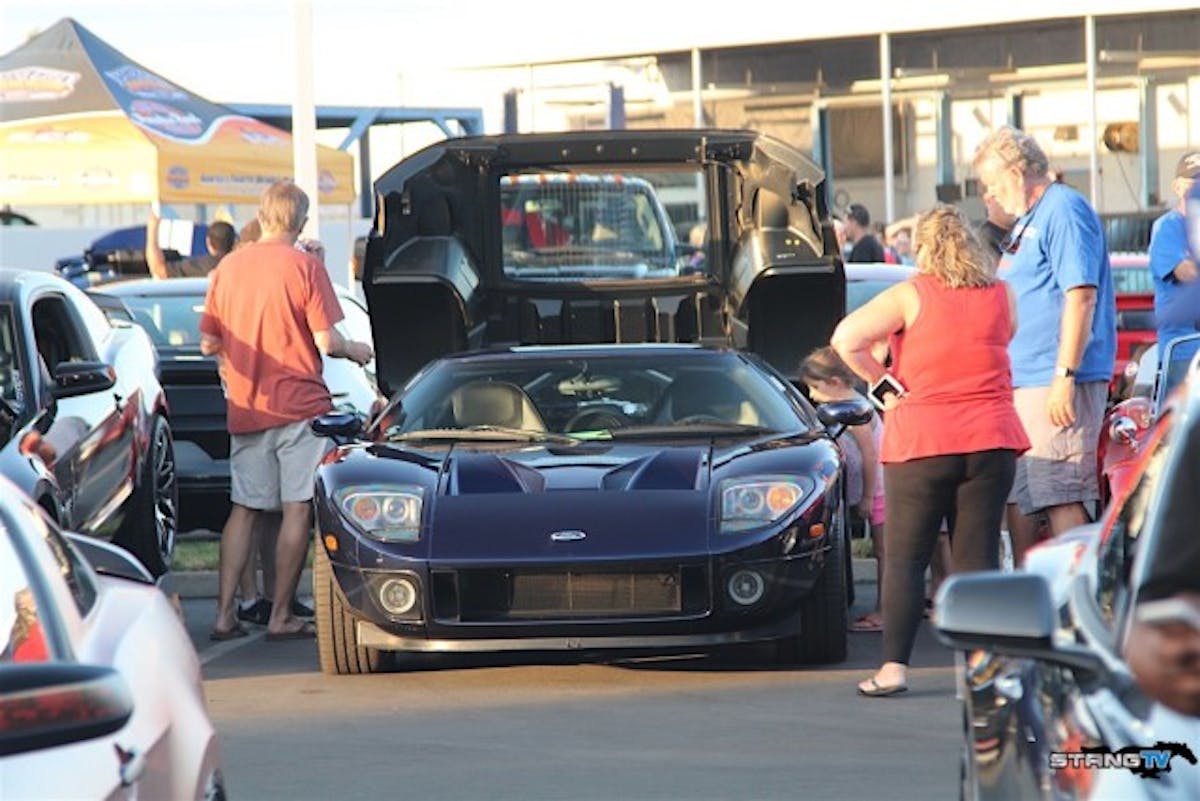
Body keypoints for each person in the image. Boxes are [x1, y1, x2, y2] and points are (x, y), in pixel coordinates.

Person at [832, 204, 1029, 697]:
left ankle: (894, 668)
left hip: (923, 438)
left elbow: (846, 338)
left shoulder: (910, 294)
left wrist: (882, 382)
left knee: (905, 557)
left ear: (923, 247)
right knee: (977, 557)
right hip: (991, 438)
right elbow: (1002, 340)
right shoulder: (1002, 294)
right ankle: (979, 673)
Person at [202, 180, 373, 641]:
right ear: (299, 220)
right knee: (297, 509)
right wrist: (358, 350)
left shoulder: (227, 269)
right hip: (299, 406)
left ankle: (223, 616)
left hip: (245, 407)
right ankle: (281, 615)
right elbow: (327, 341)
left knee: (245, 509)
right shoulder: (304, 267)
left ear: (263, 215)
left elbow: (208, 343)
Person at [973, 126, 1116, 567]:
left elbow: (1081, 295)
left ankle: (1077, 606)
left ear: (1018, 173)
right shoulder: (1030, 219)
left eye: (994, 183)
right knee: (1033, 493)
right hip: (1028, 380)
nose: (991, 194)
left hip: (1055, 381)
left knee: (1061, 493)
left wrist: (1063, 376)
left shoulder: (1064, 210)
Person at [800, 346, 886, 632]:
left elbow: (871, 455)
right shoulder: (845, 406)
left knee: (885, 552)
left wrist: (867, 497)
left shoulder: (855, 410)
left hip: (880, 490)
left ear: (836, 382)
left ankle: (885, 610)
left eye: (816, 387)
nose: (812, 394)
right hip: (872, 489)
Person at [1149, 151, 1200, 375]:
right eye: (1193, 182)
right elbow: (1186, 272)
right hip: (1183, 354)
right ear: (1177, 187)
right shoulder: (1167, 228)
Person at [146, 210, 236, 279]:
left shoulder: (199, 266)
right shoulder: (240, 267)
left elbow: (158, 270)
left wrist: (152, 230)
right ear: (234, 242)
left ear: (208, 242)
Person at [978, 193, 1016, 257]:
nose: (1013, 203)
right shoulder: (985, 240)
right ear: (988, 200)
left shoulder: (1020, 233)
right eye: (1005, 197)